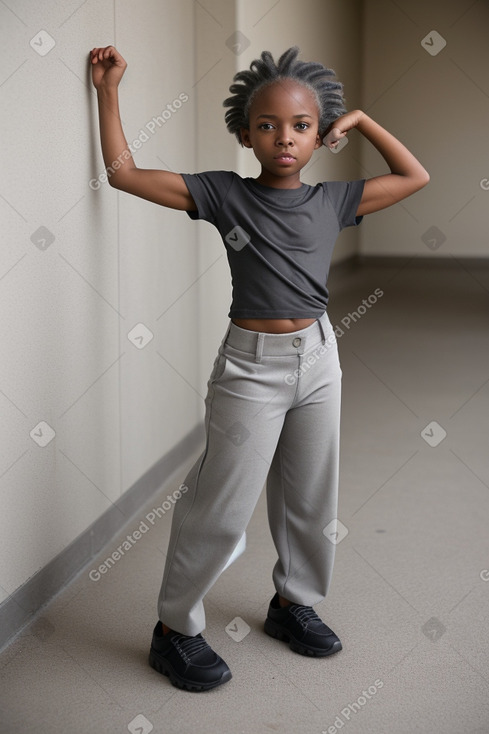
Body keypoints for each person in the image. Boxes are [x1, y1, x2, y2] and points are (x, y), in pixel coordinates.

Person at [90, 44, 429, 692]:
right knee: (219, 506)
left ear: (318, 132)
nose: (284, 137)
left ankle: (292, 604)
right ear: (244, 133)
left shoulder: (334, 200)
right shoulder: (224, 194)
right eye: (267, 124)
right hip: (250, 370)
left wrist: (357, 119)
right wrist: (109, 91)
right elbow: (125, 174)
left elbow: (414, 176)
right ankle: (174, 630)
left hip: (319, 360)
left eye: (302, 125)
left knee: (309, 496)